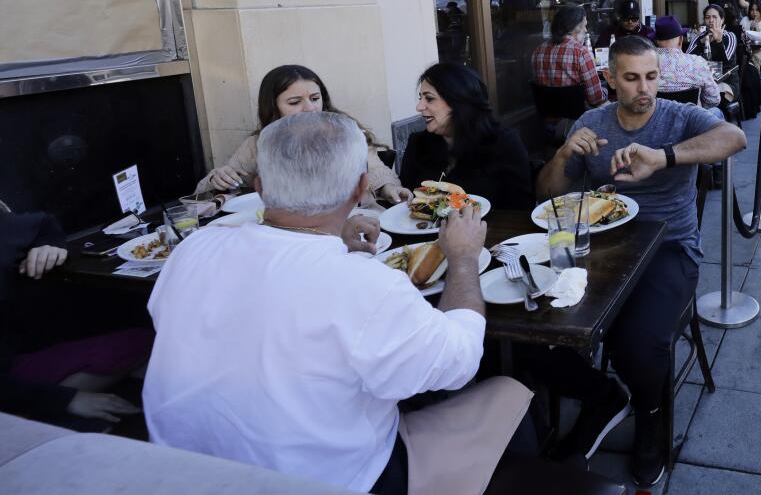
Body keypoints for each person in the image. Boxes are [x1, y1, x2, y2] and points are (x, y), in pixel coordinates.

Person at [144, 112, 532, 494]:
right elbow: (460, 360)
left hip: (182, 475)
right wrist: (463, 258)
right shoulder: (366, 284)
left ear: (260, 188)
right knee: (508, 392)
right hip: (333, 480)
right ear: (360, 188)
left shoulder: (193, 249)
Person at [536, 36, 746, 486]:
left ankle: (651, 414)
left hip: (670, 249)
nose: (644, 88)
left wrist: (663, 156)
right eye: (631, 78)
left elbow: (735, 136)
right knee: (536, 326)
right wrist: (563, 154)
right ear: (610, 79)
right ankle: (602, 396)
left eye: (651, 76)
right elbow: (550, 196)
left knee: (637, 339)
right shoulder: (590, 122)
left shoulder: (678, 118)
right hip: (602, 249)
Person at [1, 204, 147, 431]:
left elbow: (43, 223)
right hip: (14, 385)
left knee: (149, 341)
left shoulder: (8, 227)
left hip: (22, 359)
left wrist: (48, 245)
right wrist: (65, 399)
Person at [195, 64, 405, 204]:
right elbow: (201, 193)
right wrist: (217, 179)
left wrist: (389, 187)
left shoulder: (343, 132)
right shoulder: (258, 144)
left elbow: (376, 168)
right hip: (291, 232)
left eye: (315, 98)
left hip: (356, 221)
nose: (310, 108)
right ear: (273, 107)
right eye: (295, 102)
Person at [400, 63, 534, 214]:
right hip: (425, 235)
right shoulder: (418, 144)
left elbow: (521, 210)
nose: (419, 107)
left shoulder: (502, 144)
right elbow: (408, 202)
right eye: (420, 98)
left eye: (429, 99)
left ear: (458, 102)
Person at [531, 5, 606, 109]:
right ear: (575, 27)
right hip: (578, 119)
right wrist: (606, 91)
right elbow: (596, 100)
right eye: (584, 25)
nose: (586, 30)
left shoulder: (538, 51)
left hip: (547, 116)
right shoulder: (581, 52)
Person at [652, 16, 721, 108]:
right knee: (717, 112)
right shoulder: (698, 63)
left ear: (657, 41)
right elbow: (713, 100)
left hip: (657, 120)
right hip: (692, 120)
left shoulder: (644, 64)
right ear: (680, 40)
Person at [686, 4, 739, 70]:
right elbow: (687, 60)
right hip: (702, 77)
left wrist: (719, 41)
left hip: (725, 78)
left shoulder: (729, 36)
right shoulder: (700, 37)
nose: (711, 20)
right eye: (707, 17)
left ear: (722, 20)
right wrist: (702, 42)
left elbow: (726, 64)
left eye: (714, 17)